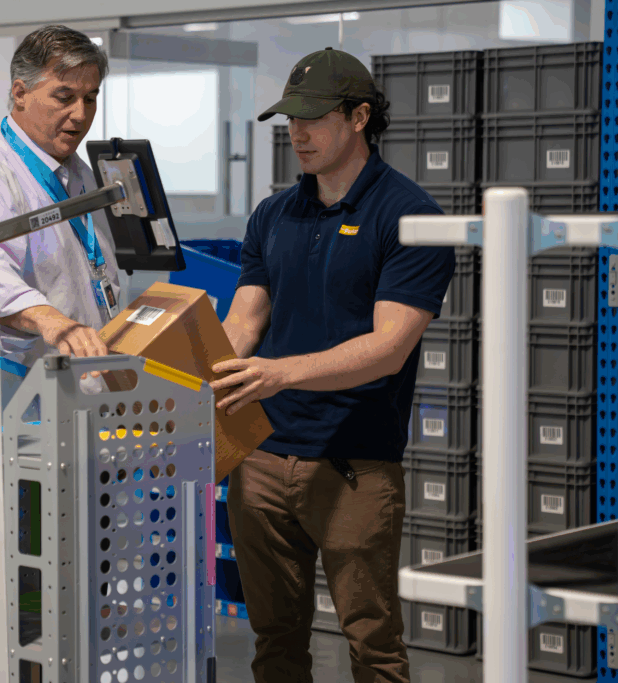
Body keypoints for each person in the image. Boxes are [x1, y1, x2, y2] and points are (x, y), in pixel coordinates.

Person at [208, 48, 456, 683]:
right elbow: (244, 324)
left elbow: (389, 346)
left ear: (359, 117)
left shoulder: (410, 217)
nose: (298, 132)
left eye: (314, 117)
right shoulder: (272, 215)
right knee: (274, 641)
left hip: (354, 464)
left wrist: (278, 373)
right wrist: (192, 375)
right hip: (262, 458)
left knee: (373, 646)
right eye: (291, 118)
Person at [0, 24, 120, 409]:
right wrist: (52, 321)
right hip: (25, 398)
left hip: (87, 390)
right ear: (20, 93)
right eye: (64, 97)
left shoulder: (79, 173)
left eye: (90, 98)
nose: (80, 114)